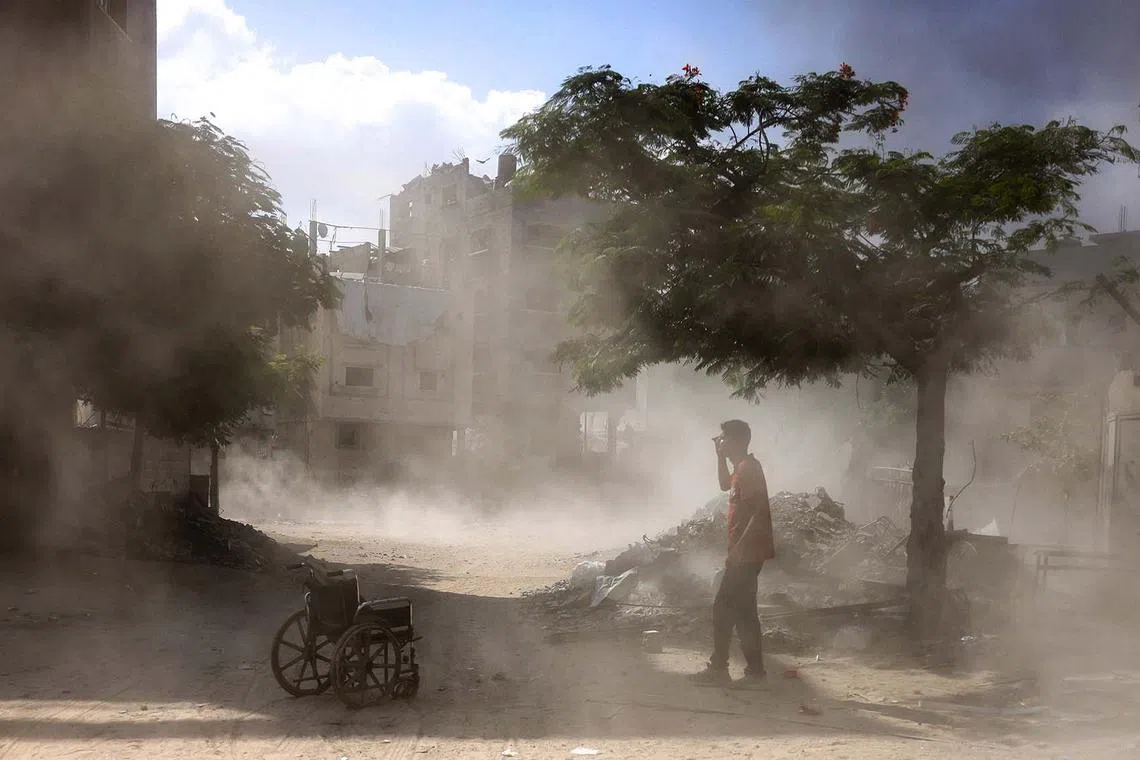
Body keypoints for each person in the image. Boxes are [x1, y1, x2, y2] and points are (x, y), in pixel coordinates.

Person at [689, 419, 775, 687]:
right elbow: (724, 485)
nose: (720, 441)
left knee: (724, 607)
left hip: (746, 554)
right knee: (744, 610)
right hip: (745, 552)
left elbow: (760, 512)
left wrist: (739, 549)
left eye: (723, 438)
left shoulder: (750, 469)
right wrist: (719, 458)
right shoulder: (740, 468)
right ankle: (753, 670)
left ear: (737, 441)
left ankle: (721, 667)